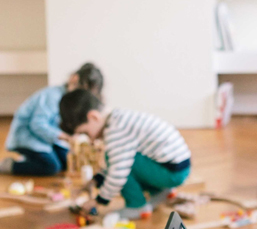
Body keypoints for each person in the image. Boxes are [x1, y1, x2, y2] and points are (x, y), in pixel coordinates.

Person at [58, 89, 191, 220]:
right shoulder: (117, 118)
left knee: (120, 165)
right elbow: (116, 160)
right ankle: (161, 191)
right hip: (175, 166)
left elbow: (118, 173)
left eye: (86, 133)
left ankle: (137, 206)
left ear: (94, 117)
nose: (91, 140)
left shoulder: (115, 131)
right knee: (117, 158)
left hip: (172, 172)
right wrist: (96, 180)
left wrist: (98, 201)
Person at [0, 63, 103, 176]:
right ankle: (11, 165)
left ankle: (36, 157)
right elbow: (37, 125)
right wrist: (66, 137)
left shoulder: (70, 102)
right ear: (74, 79)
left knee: (66, 161)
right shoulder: (52, 96)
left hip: (46, 138)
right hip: (27, 136)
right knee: (51, 166)